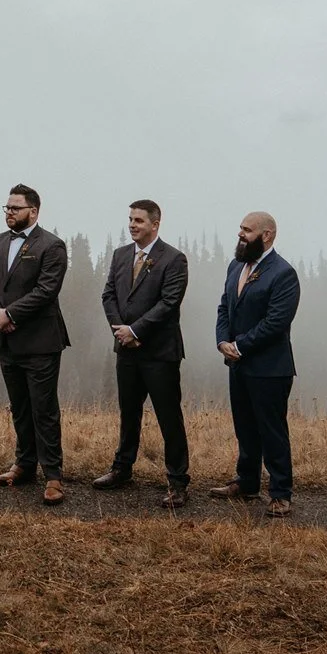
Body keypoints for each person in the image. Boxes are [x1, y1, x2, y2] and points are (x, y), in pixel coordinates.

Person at [0, 185, 70, 504]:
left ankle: (53, 476)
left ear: (34, 211)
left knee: (44, 410)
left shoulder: (52, 245)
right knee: (20, 407)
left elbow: (46, 291)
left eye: (16, 207)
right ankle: (25, 464)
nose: (9, 212)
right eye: (7, 207)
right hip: (6, 340)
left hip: (41, 341)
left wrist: (11, 313)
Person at [95, 198, 191, 507]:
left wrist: (136, 331)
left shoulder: (174, 259)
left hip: (160, 353)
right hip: (126, 350)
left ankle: (178, 482)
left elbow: (169, 302)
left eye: (138, 220)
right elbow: (109, 294)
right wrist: (121, 329)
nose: (132, 225)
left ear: (155, 224)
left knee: (169, 417)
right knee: (128, 412)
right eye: (131, 219)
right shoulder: (121, 255)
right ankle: (122, 469)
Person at [212, 211, 301, 516]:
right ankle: (247, 482)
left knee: (271, 430)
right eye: (240, 228)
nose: (240, 234)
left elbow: (275, 323)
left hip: (270, 368)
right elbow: (225, 307)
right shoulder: (236, 266)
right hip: (237, 364)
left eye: (247, 230)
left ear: (267, 235)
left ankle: (280, 492)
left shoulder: (283, 273)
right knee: (245, 427)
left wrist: (239, 345)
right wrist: (222, 341)